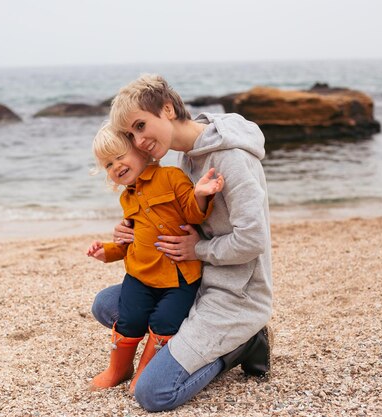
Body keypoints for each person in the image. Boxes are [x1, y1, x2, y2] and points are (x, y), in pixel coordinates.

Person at [91, 74, 273, 412]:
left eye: (141, 126)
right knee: (106, 305)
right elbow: (183, 219)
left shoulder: (231, 159)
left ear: (168, 109)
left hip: (234, 296)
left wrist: (197, 250)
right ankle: (187, 340)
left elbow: (252, 240)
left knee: (153, 393)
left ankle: (241, 343)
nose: (139, 141)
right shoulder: (186, 158)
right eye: (131, 135)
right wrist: (131, 230)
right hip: (192, 281)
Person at [86, 123, 224, 393]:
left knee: (164, 321)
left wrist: (200, 194)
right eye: (108, 164)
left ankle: (146, 371)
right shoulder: (127, 200)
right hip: (140, 276)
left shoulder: (171, 177)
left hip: (179, 277)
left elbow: (193, 214)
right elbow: (131, 242)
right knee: (129, 319)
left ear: (141, 151)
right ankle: (119, 369)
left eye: (120, 156)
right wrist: (108, 251)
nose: (116, 166)